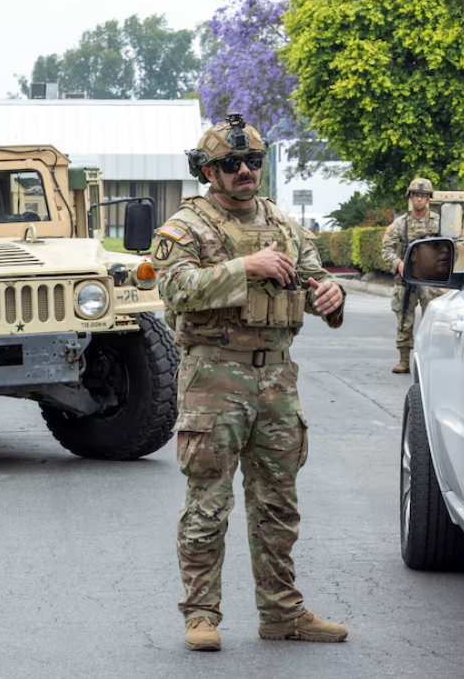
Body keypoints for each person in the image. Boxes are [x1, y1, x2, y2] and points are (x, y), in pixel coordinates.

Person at [154, 115, 349, 651]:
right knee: (208, 503)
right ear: (207, 172)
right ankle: (200, 615)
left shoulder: (286, 226)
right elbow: (175, 289)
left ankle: (283, 613)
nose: (245, 171)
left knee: (278, 503)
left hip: (277, 377)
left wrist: (331, 295)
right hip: (214, 375)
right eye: (231, 164)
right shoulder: (185, 227)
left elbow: (313, 279)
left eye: (254, 162)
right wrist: (247, 266)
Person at [381, 178, 442, 374]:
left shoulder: (438, 223)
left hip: (430, 279)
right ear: (410, 196)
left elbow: (450, 248)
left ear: (428, 198)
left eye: (423, 195)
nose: (419, 198)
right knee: (404, 319)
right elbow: (386, 249)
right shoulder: (400, 224)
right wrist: (398, 264)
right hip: (406, 278)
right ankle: (404, 360)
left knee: (432, 320)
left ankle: (429, 361)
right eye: (416, 194)